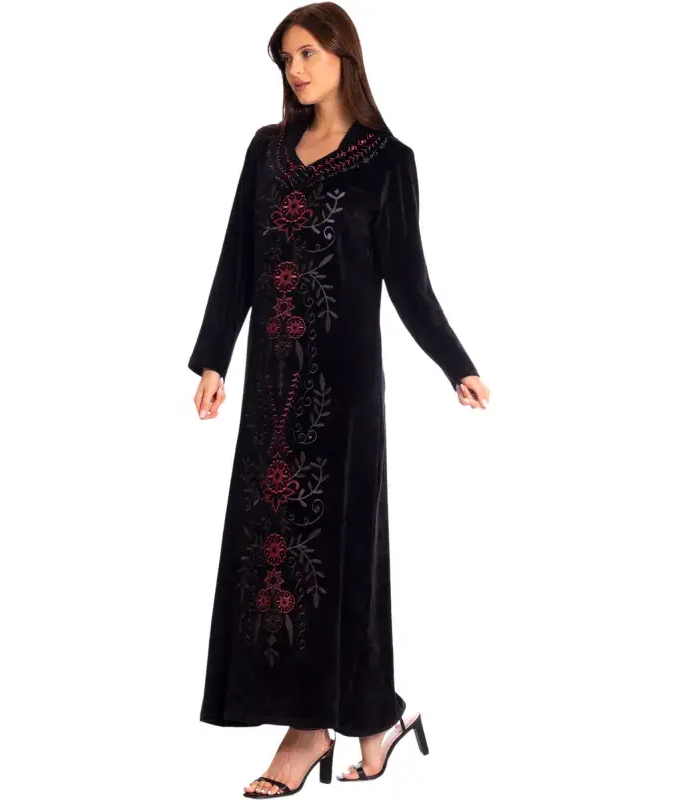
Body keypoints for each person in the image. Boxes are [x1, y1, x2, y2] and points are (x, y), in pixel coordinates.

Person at [188, 3, 490, 796]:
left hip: (345, 394)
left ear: (343, 57)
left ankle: (310, 729)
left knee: (343, 556)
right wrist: (213, 358)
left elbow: (409, 281)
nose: (295, 70)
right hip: (273, 391)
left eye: (307, 54)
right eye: (285, 58)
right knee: (271, 556)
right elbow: (238, 259)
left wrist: (454, 363)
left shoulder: (386, 162)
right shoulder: (266, 151)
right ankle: (372, 719)